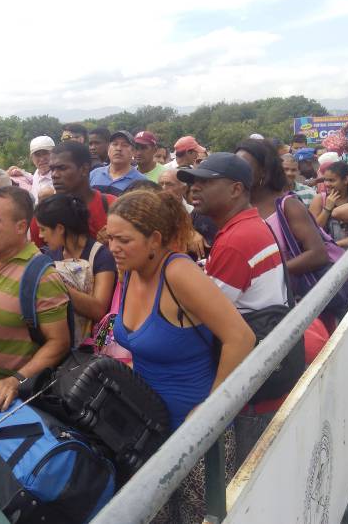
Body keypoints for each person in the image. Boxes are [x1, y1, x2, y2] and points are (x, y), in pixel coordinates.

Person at [107, 190, 254, 523]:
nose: (113, 247)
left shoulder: (177, 273)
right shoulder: (129, 268)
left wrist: (212, 407)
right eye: (109, 237)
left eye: (123, 239)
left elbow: (241, 338)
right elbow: (118, 328)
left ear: (154, 239)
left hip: (197, 436)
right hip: (147, 428)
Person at [177, 153, 288, 465]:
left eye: (206, 182)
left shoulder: (236, 240)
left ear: (236, 189)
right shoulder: (248, 225)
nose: (194, 189)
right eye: (192, 182)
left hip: (251, 388)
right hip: (264, 364)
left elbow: (201, 313)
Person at [0, 187, 71, 414]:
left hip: (9, 405)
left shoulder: (41, 276)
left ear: (21, 226)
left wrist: (15, 381)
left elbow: (59, 343)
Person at [234, 140, 328, 285]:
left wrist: (265, 273)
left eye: (245, 167)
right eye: (235, 166)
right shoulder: (235, 204)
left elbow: (318, 254)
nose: (237, 173)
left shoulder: (288, 205)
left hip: (289, 297)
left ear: (264, 171)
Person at [35, 194, 117, 342]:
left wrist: (55, 283)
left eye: (43, 229)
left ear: (60, 228)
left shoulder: (101, 256)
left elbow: (99, 310)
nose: (40, 235)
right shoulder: (49, 254)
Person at [30, 142, 116, 247]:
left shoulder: (113, 206)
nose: (54, 175)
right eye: (52, 169)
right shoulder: (43, 215)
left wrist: (113, 242)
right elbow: (40, 258)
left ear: (84, 169)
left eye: (62, 168)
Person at [309, 161, 348, 248]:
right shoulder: (320, 199)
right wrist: (327, 209)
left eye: (332, 180)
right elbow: (312, 231)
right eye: (325, 180)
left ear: (346, 180)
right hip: (328, 253)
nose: (327, 184)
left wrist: (337, 244)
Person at [89, 131, 146, 196]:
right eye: (115, 144)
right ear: (108, 149)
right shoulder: (94, 174)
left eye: (124, 145)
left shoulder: (141, 182)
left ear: (133, 152)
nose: (118, 149)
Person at [7, 135, 55, 203]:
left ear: (55, 153)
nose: (41, 159)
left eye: (45, 153)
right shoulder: (37, 172)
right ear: (31, 157)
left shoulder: (59, 179)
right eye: (37, 155)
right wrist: (22, 172)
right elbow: (34, 179)